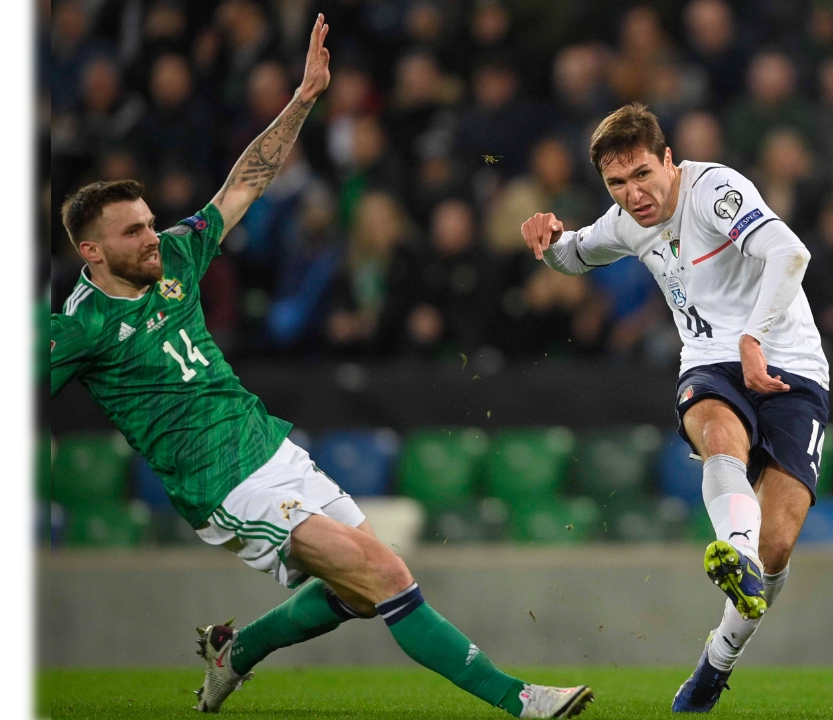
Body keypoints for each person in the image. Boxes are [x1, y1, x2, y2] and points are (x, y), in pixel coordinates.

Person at [49, 15, 593, 719]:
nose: (154, 237)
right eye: (134, 232)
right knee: (387, 572)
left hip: (266, 445)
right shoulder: (75, 327)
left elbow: (245, 183)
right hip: (220, 480)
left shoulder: (176, 257)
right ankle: (521, 701)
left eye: (151, 222)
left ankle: (234, 653)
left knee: (357, 594)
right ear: (92, 253)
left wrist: (305, 96)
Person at [520, 103, 829, 713]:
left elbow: (790, 255)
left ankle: (717, 663)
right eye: (616, 184)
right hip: (710, 362)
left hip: (790, 360)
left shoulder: (716, 190)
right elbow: (577, 254)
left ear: (668, 160)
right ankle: (733, 552)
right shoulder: (627, 222)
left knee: (778, 546)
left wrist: (754, 338)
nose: (633, 195)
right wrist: (549, 240)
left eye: (641, 174)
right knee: (718, 433)